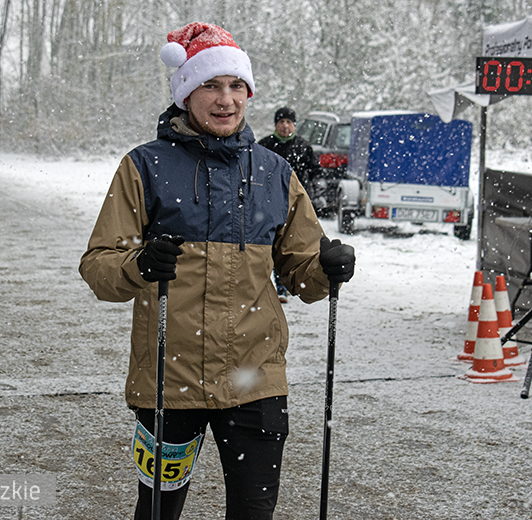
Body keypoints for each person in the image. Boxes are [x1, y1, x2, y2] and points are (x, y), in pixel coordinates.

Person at [79, 22, 355, 520]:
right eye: (210, 84)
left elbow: (302, 273)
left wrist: (328, 269)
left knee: (254, 513)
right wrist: (139, 264)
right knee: (159, 511)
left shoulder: (275, 172)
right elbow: (99, 266)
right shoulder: (144, 167)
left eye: (236, 86)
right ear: (186, 93)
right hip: (169, 381)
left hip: (256, 381)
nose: (225, 99)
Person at [258, 107, 322, 303]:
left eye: (289, 122)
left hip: (297, 202)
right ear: (276, 125)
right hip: (270, 201)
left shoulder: (303, 146)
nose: (285, 126)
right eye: (281, 122)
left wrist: (317, 192)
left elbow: (315, 172)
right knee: (274, 244)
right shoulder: (265, 146)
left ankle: (294, 283)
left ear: (294, 125)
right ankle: (278, 288)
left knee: (296, 243)